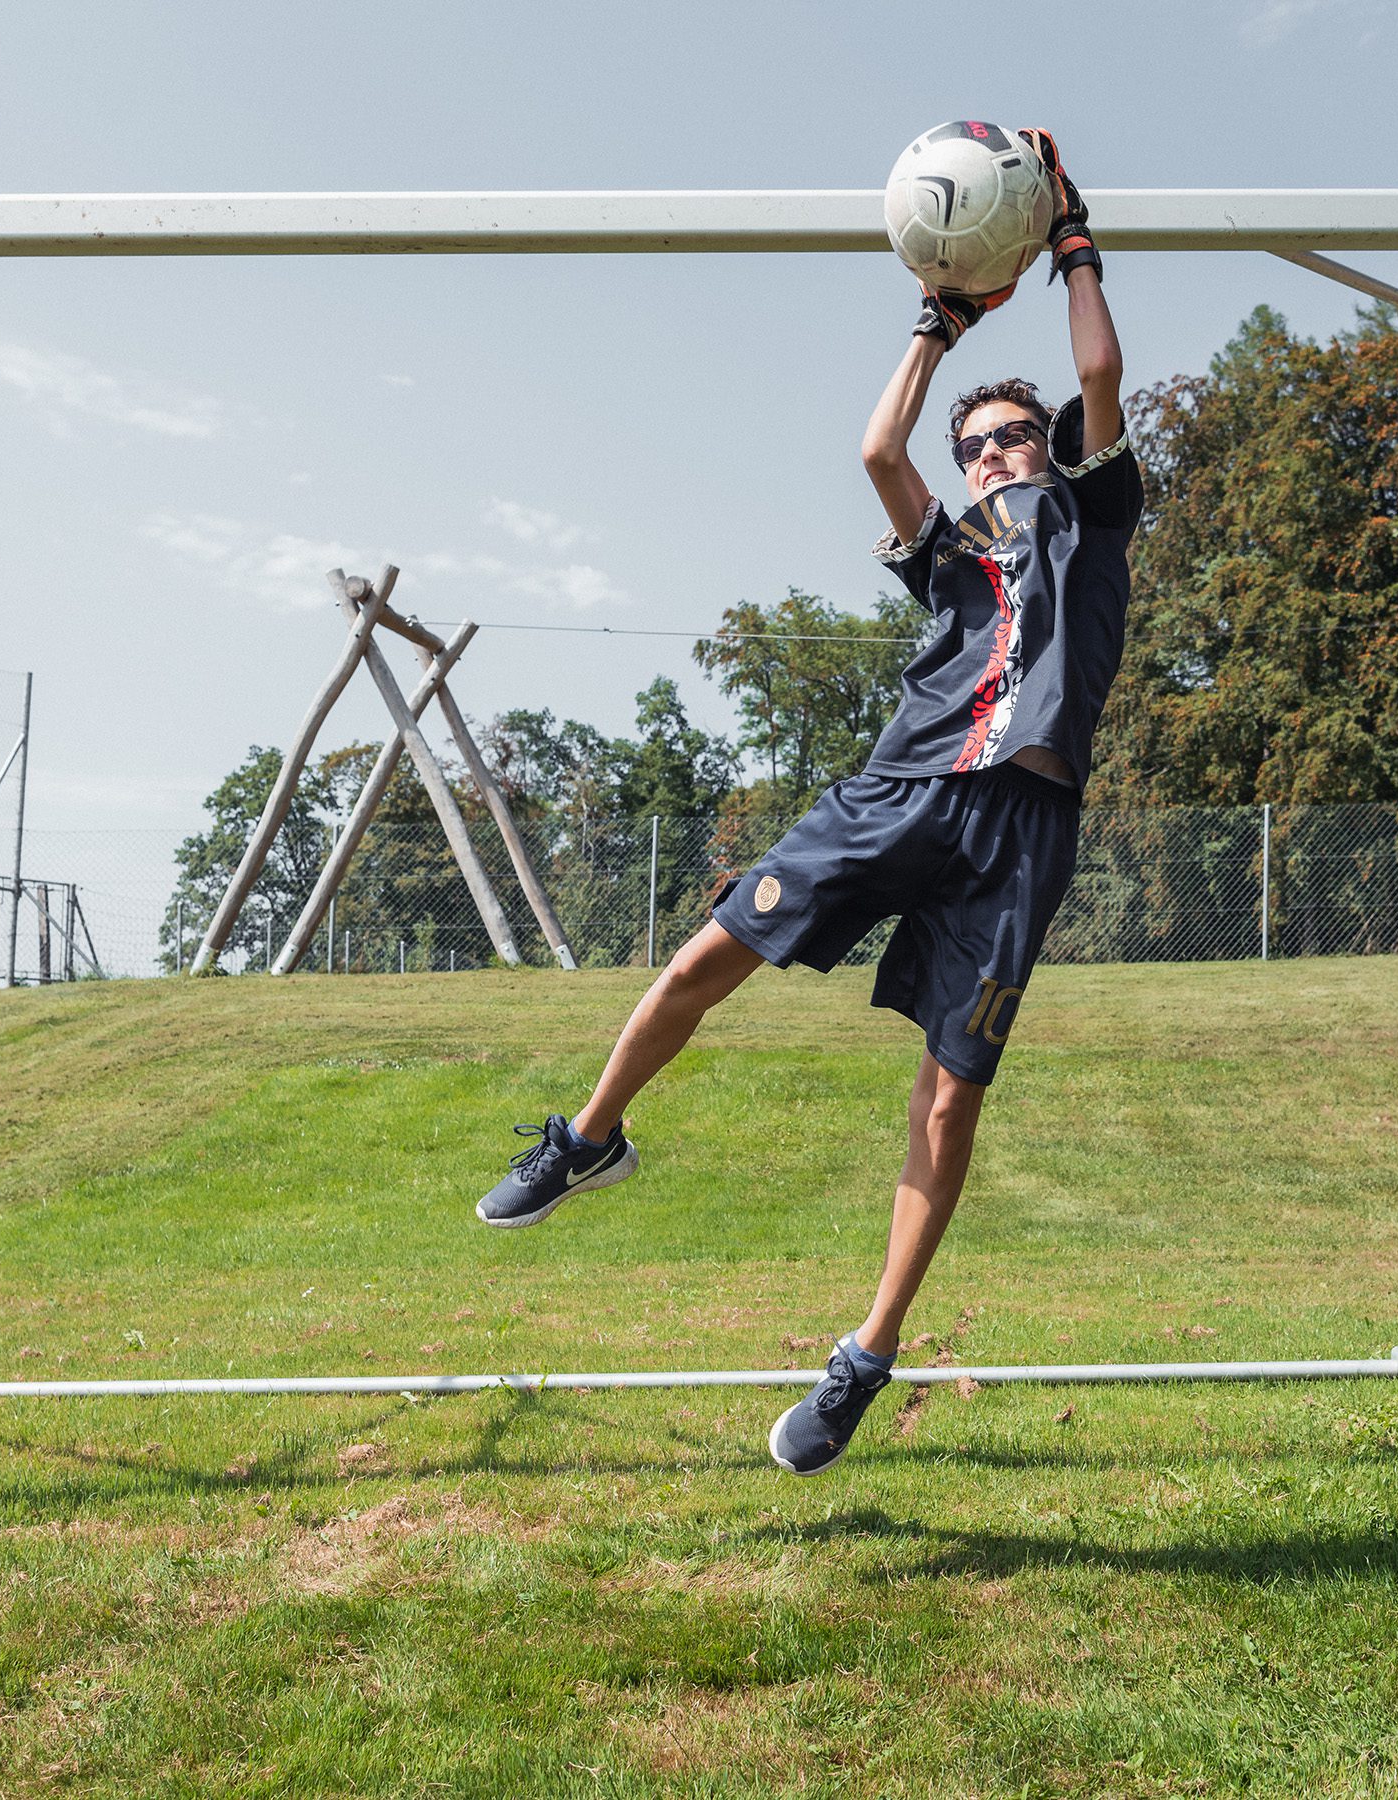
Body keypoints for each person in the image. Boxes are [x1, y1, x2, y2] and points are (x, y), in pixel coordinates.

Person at [474, 128, 1139, 1475]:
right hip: (899, 790)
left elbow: (1103, 368)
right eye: (983, 445)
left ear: (1049, 449)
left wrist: (1073, 242)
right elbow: (877, 442)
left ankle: (867, 1355)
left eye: (1017, 436)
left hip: (1020, 831)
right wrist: (936, 326)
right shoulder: (951, 552)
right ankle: (588, 1137)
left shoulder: (1094, 515)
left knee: (950, 1103)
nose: (1000, 452)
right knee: (707, 954)